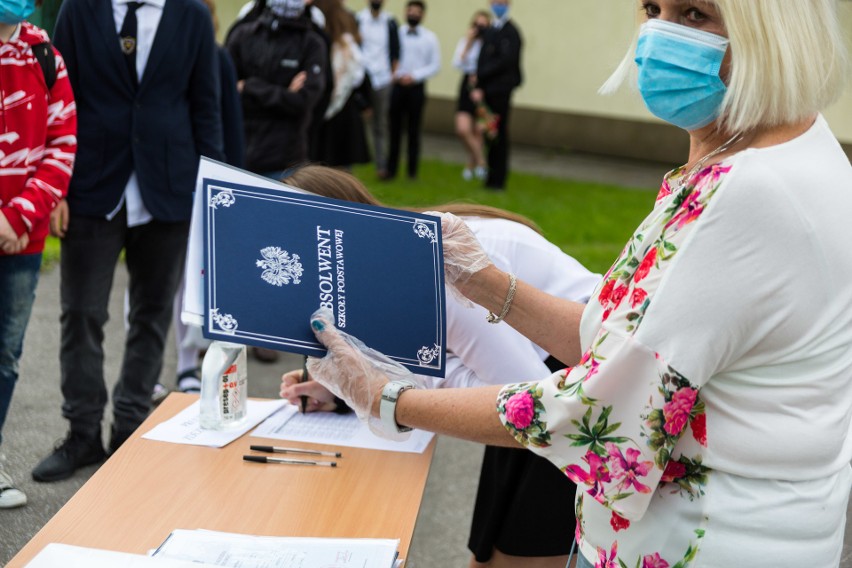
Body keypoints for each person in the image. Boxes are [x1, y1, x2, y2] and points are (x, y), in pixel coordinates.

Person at [295, 2, 852, 567]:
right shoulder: (791, 150)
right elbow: (620, 344)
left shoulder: (744, 194)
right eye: (652, 9)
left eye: (694, 14)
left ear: (771, 28)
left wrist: (386, 398)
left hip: (708, 542)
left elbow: (594, 411)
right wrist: (483, 281)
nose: (659, 36)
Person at [277, 166, 601, 567]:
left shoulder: (438, 271)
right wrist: (341, 389)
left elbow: (523, 400)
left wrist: (381, 388)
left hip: (575, 390)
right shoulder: (393, 255)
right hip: (545, 390)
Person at [32, 0, 224, 482]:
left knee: (152, 314)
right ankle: (81, 433)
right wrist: (54, 188)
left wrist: (215, 192)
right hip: (90, 186)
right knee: (81, 312)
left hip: (171, 188)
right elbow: (57, 97)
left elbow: (206, 106)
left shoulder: (192, 15)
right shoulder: (80, 10)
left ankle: (129, 427)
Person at [0, 2, 77, 507]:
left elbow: (62, 141)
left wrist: (18, 215)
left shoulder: (43, 53)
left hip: (20, 240)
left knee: (5, 354)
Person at [152, 0, 245, 403]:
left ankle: (187, 363)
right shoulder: (152, 49)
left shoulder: (217, 57)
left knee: (191, 282)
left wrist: (230, 183)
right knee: (152, 283)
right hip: (157, 183)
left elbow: (226, 123)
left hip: (195, 185)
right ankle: (150, 371)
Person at [226, 0, 327, 180]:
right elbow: (225, 94)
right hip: (238, 156)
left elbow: (302, 102)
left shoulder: (312, 44)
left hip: (284, 163)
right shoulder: (243, 35)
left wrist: (249, 87)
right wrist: (284, 94)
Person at [385, 0, 439, 181]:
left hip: (416, 88)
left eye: (417, 12)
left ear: (422, 15)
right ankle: (390, 170)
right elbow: (389, 57)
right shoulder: (396, 34)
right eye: (411, 11)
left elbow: (435, 65)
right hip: (397, 87)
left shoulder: (430, 38)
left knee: (414, 131)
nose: (413, 14)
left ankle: (412, 172)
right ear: (405, 12)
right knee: (394, 129)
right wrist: (398, 75)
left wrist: (414, 76)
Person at [470, 0, 521, 191]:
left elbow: (505, 62)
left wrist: (481, 75)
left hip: (501, 92)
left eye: (502, 2)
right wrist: (479, 85)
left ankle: (498, 180)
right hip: (487, 92)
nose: (498, 5)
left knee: (499, 133)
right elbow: (483, 58)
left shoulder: (512, 32)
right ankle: (490, 177)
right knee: (490, 133)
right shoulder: (492, 30)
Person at [313, 0, 370, 170]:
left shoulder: (314, 30)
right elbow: (358, 75)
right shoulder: (345, 37)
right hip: (343, 109)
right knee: (340, 172)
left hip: (320, 106)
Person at [355, 0, 400, 179]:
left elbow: (395, 51)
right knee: (357, 122)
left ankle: (381, 166)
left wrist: (391, 75)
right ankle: (352, 163)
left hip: (382, 79)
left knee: (380, 124)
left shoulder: (390, 22)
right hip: (361, 78)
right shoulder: (358, 19)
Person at [452, 10, 490, 182]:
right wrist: (468, 42)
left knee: (479, 130)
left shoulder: (490, 44)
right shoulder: (466, 41)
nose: (479, 29)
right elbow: (457, 63)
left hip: (485, 86)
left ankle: (470, 166)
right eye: (476, 25)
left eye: (483, 26)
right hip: (467, 85)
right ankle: (482, 161)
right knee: (462, 128)